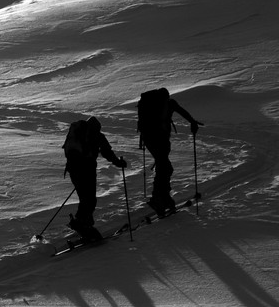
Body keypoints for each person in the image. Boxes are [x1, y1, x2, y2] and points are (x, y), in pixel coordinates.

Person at [137, 88, 203, 217]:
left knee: (164, 167)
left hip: (151, 139)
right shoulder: (169, 103)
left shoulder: (155, 105)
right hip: (160, 140)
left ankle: (162, 197)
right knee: (165, 167)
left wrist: (192, 121)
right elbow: (182, 112)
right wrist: (192, 122)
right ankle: (158, 198)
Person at [62, 116, 127, 239]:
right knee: (89, 199)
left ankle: (83, 224)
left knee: (85, 197)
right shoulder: (97, 136)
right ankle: (83, 225)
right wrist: (118, 163)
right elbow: (107, 152)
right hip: (87, 169)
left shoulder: (77, 134)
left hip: (73, 169)